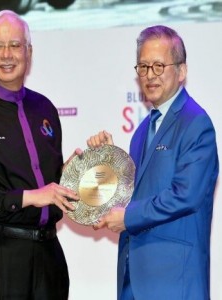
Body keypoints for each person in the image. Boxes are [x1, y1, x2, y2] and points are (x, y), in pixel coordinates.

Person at [0, 10, 79, 300]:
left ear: (29, 51)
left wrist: (75, 171)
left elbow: (51, 184)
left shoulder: (45, 108)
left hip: (49, 257)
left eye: (15, 45)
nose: (6, 54)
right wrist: (30, 196)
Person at [87, 25, 219, 300]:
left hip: (174, 279)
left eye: (159, 66)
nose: (150, 75)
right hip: (133, 276)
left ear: (181, 71)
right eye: (144, 67)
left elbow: (186, 195)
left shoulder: (196, 124)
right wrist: (109, 162)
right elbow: (135, 193)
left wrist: (128, 218)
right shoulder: (143, 130)